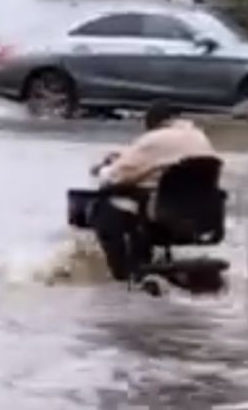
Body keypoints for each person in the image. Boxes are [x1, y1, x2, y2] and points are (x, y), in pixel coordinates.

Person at [89, 101, 217, 282]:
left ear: (150, 124)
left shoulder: (154, 139)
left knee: (103, 207)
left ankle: (123, 274)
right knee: (148, 201)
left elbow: (114, 176)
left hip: (162, 213)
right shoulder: (199, 137)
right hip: (198, 216)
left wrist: (103, 169)